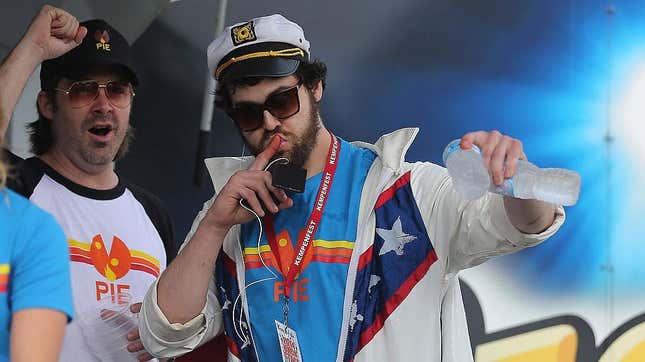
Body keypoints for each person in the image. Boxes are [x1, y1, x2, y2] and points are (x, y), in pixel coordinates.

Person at [139, 14, 565, 362]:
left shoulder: (402, 189)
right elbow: (165, 336)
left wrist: (516, 183)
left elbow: (524, 227)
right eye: (249, 114)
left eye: (282, 101)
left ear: (315, 86)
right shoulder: (228, 212)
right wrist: (213, 226)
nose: (269, 123)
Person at [0, 6, 176, 361]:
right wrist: (33, 48)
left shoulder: (154, 214)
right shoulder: (17, 188)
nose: (103, 105)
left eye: (117, 90)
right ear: (47, 104)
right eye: (83, 90)